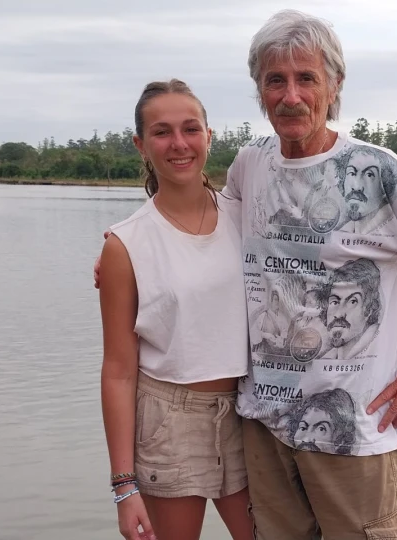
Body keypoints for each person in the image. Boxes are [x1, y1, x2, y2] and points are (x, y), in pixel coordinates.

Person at [97, 10, 397, 539]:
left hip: (354, 433)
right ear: (260, 92)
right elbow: (203, 226)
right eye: (275, 80)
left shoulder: (379, 172)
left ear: (334, 85)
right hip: (265, 430)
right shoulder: (251, 165)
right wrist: (125, 256)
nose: (291, 95)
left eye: (307, 78)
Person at [97, 79, 254, 540]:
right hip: (169, 418)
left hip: (250, 412)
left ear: (210, 135)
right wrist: (124, 488)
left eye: (190, 129)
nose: (179, 143)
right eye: (162, 132)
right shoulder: (126, 244)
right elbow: (118, 372)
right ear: (141, 145)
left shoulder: (248, 217)